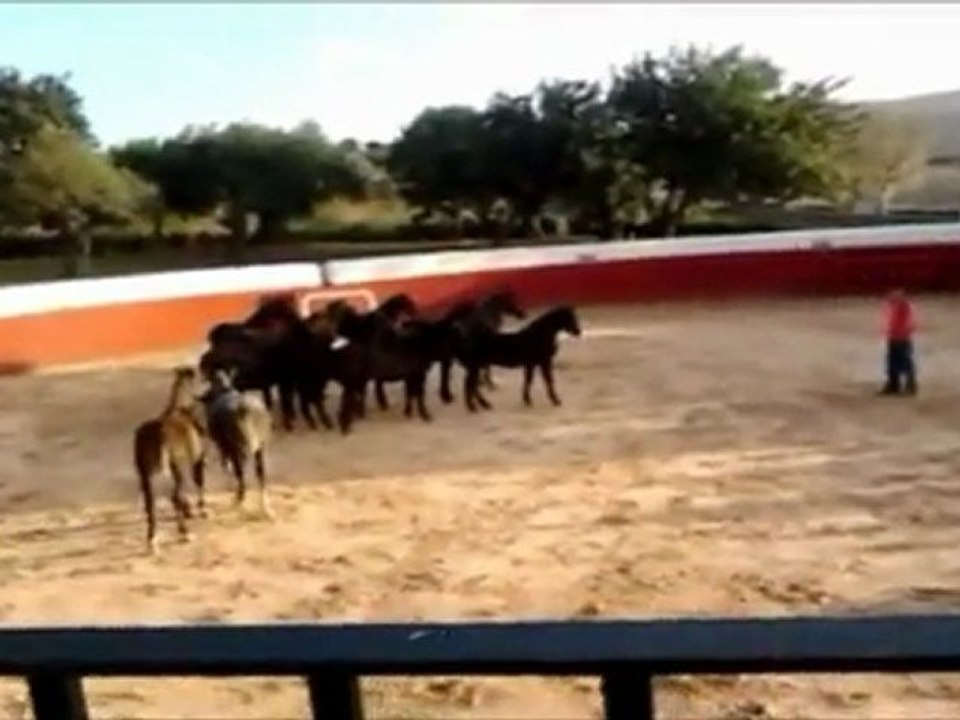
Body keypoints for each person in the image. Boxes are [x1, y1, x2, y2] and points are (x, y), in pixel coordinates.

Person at [879, 288, 917, 396]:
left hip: (902, 338)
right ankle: (894, 385)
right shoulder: (896, 305)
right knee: (892, 362)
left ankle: (909, 386)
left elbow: (910, 322)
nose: (891, 296)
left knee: (904, 362)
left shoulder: (905, 306)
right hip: (894, 337)